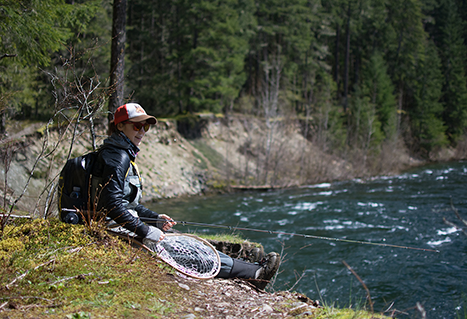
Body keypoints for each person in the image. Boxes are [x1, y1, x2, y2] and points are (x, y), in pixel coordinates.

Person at [96, 102, 280, 289]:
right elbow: (112, 205)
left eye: (146, 126)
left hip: (125, 226)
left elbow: (128, 204)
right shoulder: (117, 157)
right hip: (119, 231)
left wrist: (154, 219)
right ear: (119, 126)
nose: (142, 131)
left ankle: (246, 267)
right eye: (137, 126)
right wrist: (146, 231)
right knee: (181, 250)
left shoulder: (120, 153)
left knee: (184, 241)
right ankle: (254, 274)